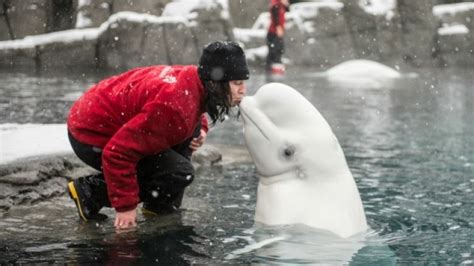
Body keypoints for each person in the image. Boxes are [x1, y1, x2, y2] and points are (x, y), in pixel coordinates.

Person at [66, 41, 249, 230]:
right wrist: (125, 207)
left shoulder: (194, 79)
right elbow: (117, 153)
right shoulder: (174, 109)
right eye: (237, 83)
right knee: (180, 173)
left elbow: (195, 105)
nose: (243, 90)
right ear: (215, 82)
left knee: (188, 136)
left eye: (243, 82)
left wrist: (201, 128)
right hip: (89, 133)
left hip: (97, 110)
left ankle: (159, 204)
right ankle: (90, 192)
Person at [266, 0, 289, 75]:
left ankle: (273, 68)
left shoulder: (281, 5)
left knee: (278, 49)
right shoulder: (276, 5)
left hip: (276, 31)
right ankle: (271, 69)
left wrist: (285, 4)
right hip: (274, 32)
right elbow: (275, 16)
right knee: (275, 50)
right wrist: (278, 27)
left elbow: (288, 10)